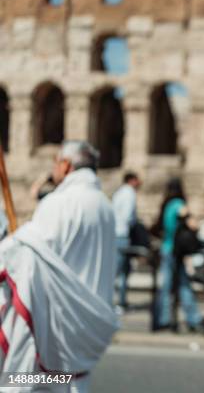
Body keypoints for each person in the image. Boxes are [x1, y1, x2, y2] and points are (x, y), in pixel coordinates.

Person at [0, 141, 118, 392]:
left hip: (56, 322)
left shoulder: (59, 203)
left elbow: (26, 254)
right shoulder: (105, 205)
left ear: (65, 165)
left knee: (26, 381)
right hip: (85, 324)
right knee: (70, 380)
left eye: (55, 163)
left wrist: (12, 243)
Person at [153, 178, 204, 333]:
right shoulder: (178, 204)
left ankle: (163, 319)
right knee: (183, 285)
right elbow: (191, 223)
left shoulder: (167, 205)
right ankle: (193, 319)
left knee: (167, 286)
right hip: (176, 251)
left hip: (167, 248)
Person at [111, 171, 142, 311]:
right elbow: (129, 217)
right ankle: (117, 302)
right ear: (132, 180)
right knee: (121, 270)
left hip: (115, 234)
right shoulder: (129, 193)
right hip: (123, 235)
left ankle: (119, 300)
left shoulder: (119, 193)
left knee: (119, 270)